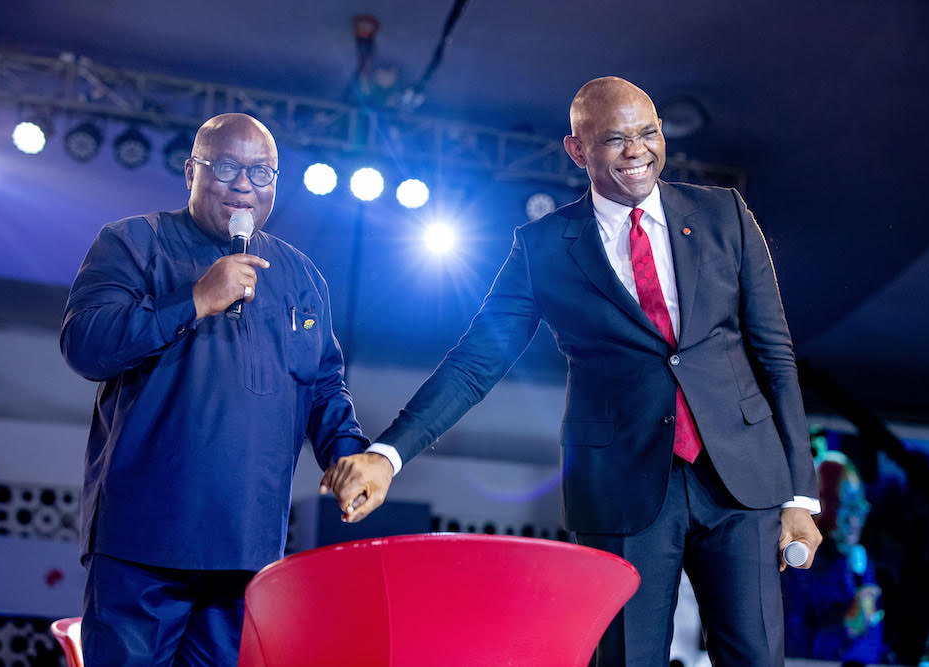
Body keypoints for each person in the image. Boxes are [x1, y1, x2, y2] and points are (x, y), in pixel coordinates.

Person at [324, 76, 823, 666]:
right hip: (621, 490)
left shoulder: (725, 215)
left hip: (743, 482)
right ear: (577, 150)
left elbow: (774, 355)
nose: (637, 151)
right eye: (615, 138)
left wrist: (801, 495)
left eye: (648, 133)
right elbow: (475, 364)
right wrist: (388, 454)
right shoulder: (543, 247)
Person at [61, 113, 379, 666]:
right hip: (143, 543)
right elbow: (85, 346)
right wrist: (195, 300)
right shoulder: (134, 243)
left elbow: (324, 385)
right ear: (191, 171)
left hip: (246, 550)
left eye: (262, 172)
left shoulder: (302, 277)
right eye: (227, 166)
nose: (243, 185)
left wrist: (349, 454)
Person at [783, 451, 886, 663]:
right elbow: (788, 644)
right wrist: (844, 623)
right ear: (819, 509)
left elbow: (871, 647)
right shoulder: (796, 563)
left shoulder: (859, 564)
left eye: (859, 509)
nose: (854, 521)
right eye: (846, 508)